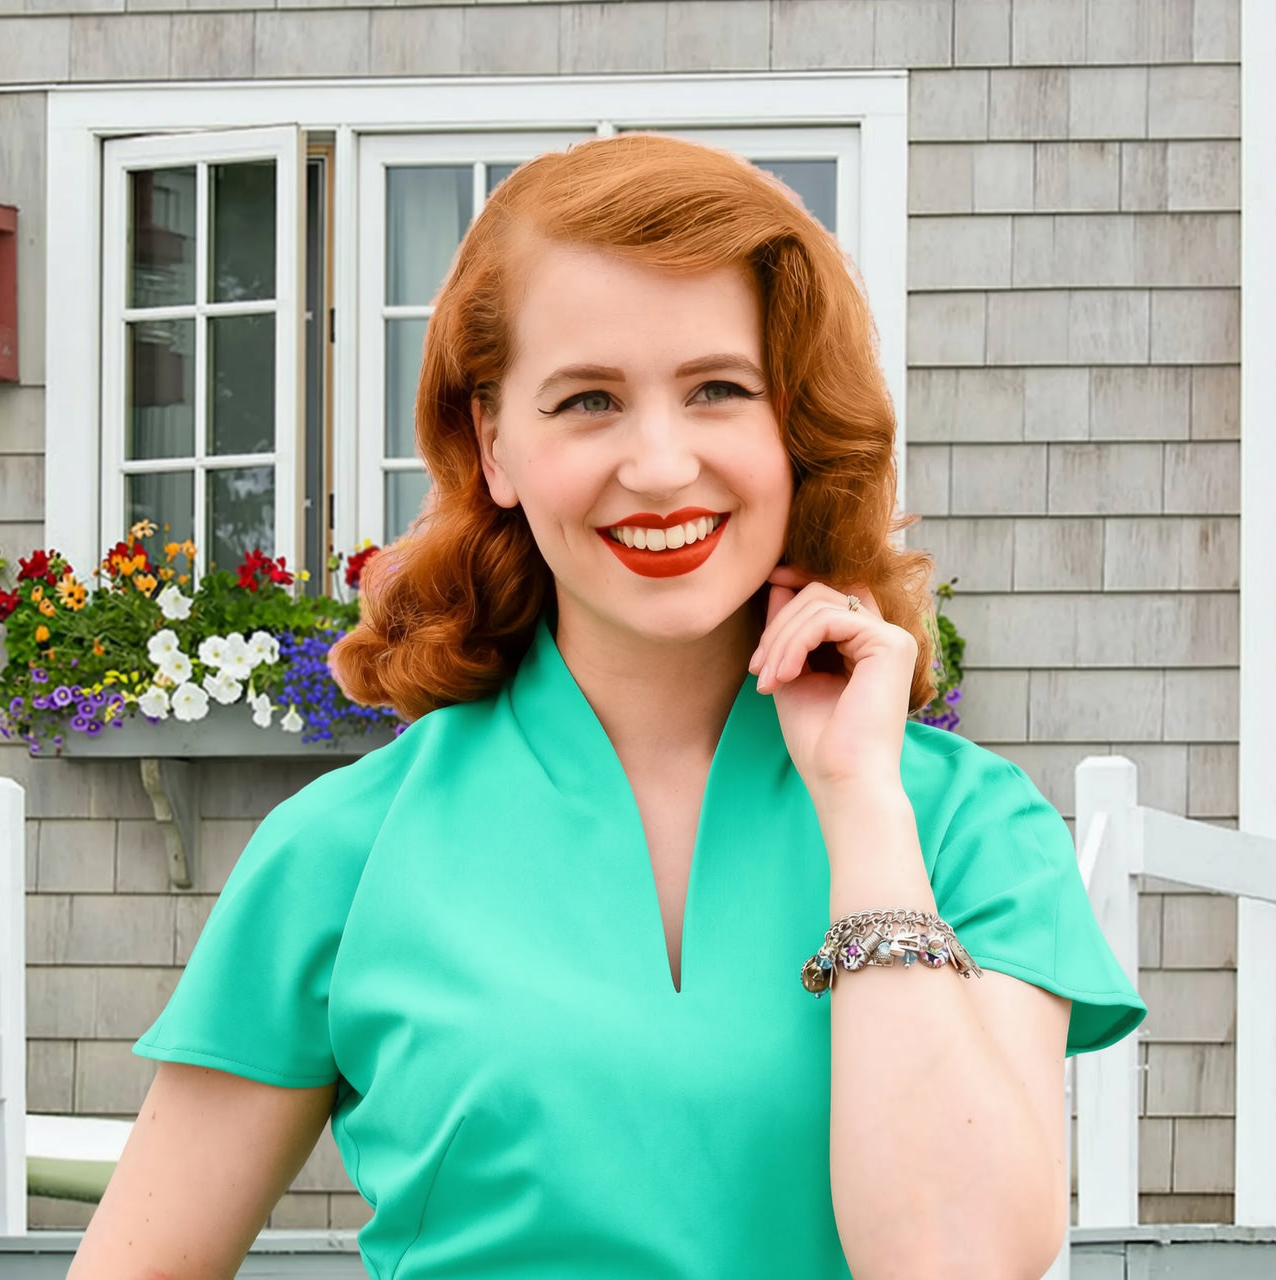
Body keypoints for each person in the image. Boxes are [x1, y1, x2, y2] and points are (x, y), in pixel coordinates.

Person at [68, 134, 1145, 1280]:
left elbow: (960, 1262)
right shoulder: (339, 849)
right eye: (588, 399)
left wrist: (863, 811)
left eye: (717, 389)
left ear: (794, 425)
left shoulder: (971, 832)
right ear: (493, 442)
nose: (660, 463)